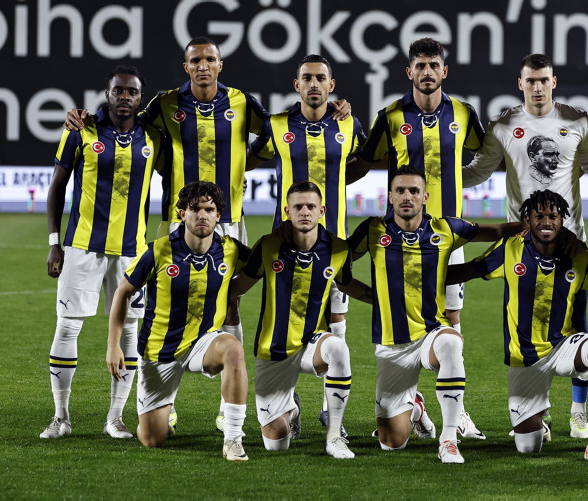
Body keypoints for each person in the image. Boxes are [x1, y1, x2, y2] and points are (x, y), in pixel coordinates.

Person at [66, 37, 350, 431]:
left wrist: (332, 109)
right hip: (178, 220)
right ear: (186, 66)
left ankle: (227, 406)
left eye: (210, 59)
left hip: (229, 220)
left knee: (231, 303)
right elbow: (126, 119)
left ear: (220, 65)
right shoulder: (166, 103)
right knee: (166, 305)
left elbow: (283, 127)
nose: (203, 65)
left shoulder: (241, 102)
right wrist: (88, 116)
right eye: (196, 59)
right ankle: (164, 397)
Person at [462, 53, 588, 440]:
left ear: (554, 81)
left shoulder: (577, 122)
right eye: (531, 80)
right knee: (523, 327)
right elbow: (478, 171)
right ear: (520, 84)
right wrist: (436, 177)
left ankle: (578, 412)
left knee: (577, 325)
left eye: (544, 79)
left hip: (571, 245)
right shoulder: (503, 125)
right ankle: (535, 409)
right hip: (521, 248)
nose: (538, 87)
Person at [354, 37, 486, 440]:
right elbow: (367, 159)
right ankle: (408, 402)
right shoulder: (390, 116)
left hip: (447, 238)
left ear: (444, 71)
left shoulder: (464, 113)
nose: (427, 72)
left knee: (451, 322)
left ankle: (457, 412)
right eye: (420, 65)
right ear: (409, 71)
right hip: (401, 239)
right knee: (404, 321)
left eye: (434, 65)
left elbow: (483, 153)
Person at [348, 165, 523, 463]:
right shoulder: (372, 230)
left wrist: (527, 226)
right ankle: (415, 408)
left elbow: (494, 232)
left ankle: (449, 439)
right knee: (392, 443)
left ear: (425, 197)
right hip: (392, 346)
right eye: (400, 191)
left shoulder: (446, 229)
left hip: (431, 333)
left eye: (414, 191)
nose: (407, 196)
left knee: (452, 342)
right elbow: (339, 261)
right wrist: (369, 296)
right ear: (390, 196)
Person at [447, 190, 588, 463]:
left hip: (563, 347)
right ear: (528, 220)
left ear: (562, 220)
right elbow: (471, 269)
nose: (546, 222)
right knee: (528, 447)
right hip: (525, 360)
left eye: (553, 216)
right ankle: (538, 420)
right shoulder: (511, 249)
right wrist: (426, 275)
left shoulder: (578, 255)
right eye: (539, 216)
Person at [41, 65, 165, 440]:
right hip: (82, 247)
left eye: (132, 92)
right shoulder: (81, 130)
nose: (124, 97)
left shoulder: (154, 137)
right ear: (107, 94)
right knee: (68, 326)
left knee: (130, 333)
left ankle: (116, 417)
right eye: (118, 90)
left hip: (132, 252)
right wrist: (54, 242)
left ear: (141, 98)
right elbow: (57, 186)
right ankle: (61, 417)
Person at [247, 54, 366, 435]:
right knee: (285, 320)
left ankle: (330, 411)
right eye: (307, 78)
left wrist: (339, 177)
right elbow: (248, 160)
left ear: (332, 85)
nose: (314, 84)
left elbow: (366, 160)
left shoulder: (348, 124)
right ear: (296, 85)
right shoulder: (277, 125)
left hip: (335, 244)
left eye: (320, 78)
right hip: (285, 246)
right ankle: (288, 400)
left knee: (337, 320)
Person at [107, 181, 251, 461]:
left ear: (218, 216)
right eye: (195, 209)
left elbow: (265, 264)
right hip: (160, 350)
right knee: (153, 440)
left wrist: (238, 288)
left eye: (209, 210)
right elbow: (123, 292)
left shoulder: (231, 249)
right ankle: (160, 415)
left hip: (204, 342)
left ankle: (233, 439)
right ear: (182, 214)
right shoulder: (159, 250)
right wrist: (114, 345)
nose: (202, 215)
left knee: (233, 349)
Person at [229, 181, 371, 459]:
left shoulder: (338, 249)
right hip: (273, 352)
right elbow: (239, 287)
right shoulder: (268, 246)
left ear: (322, 211)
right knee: (277, 444)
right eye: (298, 207)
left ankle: (334, 435)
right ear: (287, 211)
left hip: (311, 345)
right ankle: (291, 409)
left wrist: (383, 299)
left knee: (338, 348)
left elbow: (348, 284)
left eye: (310, 206)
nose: (305, 212)